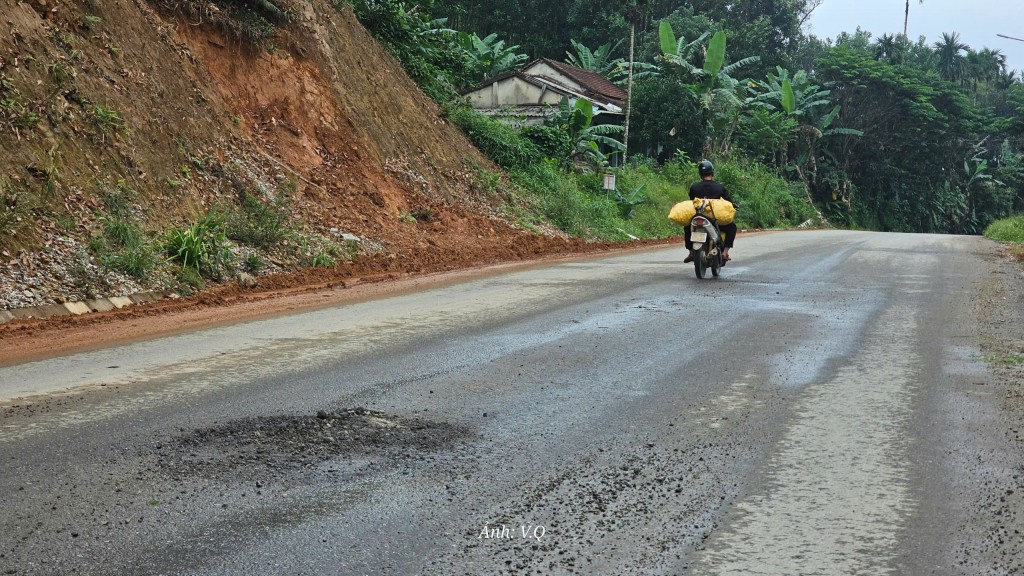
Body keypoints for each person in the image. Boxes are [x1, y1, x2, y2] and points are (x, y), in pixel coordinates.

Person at [684, 160, 738, 263]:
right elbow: (728, 202)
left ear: (700, 174)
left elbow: (692, 202)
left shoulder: (694, 187)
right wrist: (733, 205)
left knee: (687, 228)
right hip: (714, 220)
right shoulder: (719, 187)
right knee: (732, 228)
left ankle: (691, 252)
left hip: (698, 217)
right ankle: (725, 252)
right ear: (712, 173)